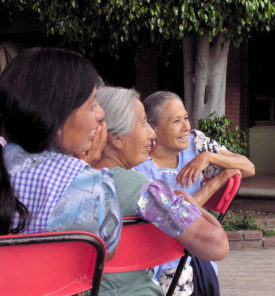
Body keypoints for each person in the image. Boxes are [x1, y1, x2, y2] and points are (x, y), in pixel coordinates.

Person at [95, 86, 229, 296]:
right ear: (115, 137)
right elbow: (217, 245)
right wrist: (193, 206)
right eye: (143, 123)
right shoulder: (147, 192)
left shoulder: (66, 179)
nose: (151, 133)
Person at [0, 47, 122, 261]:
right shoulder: (94, 188)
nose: (101, 114)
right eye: (92, 104)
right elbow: (106, 254)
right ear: (57, 118)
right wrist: (88, 171)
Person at [135, 90, 255, 295]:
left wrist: (209, 157)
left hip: (193, 250)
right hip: (153, 251)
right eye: (176, 121)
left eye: (186, 118)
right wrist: (214, 183)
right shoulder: (137, 159)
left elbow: (248, 167)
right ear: (152, 129)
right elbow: (174, 217)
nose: (186, 127)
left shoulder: (195, 143)